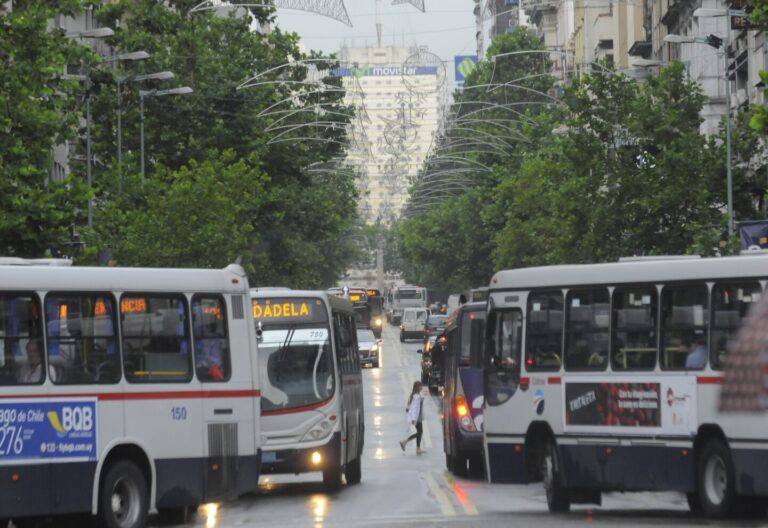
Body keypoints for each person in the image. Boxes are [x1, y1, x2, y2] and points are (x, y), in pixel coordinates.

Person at [399, 381, 426, 455]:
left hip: (417, 417)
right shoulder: (416, 396)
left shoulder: (415, 395)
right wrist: (414, 419)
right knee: (420, 432)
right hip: (417, 418)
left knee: (420, 432)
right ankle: (405, 442)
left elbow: (409, 407)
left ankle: (418, 448)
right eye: (420, 386)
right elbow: (414, 408)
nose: (421, 387)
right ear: (417, 387)